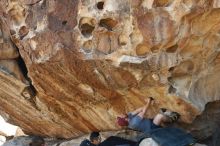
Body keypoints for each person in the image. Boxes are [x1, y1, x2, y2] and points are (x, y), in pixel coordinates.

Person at [117, 97, 196, 146]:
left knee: (158, 116)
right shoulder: (134, 122)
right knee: (159, 116)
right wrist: (149, 101)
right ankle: (173, 118)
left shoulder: (129, 115)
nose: (120, 114)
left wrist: (147, 103)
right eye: (120, 116)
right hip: (152, 128)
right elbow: (144, 111)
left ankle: (165, 117)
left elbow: (139, 110)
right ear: (125, 119)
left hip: (149, 122)